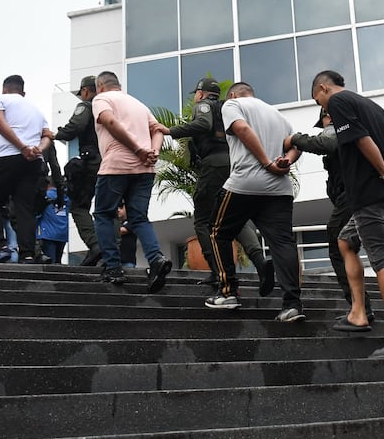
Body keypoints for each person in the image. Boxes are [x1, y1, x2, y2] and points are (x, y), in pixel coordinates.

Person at [286, 104, 384, 335]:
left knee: (340, 243)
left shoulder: (340, 125)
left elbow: (326, 142)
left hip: (357, 198)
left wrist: (295, 138)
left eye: (324, 120)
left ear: (328, 114)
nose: (326, 125)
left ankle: (361, 309)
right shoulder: (378, 128)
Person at [311, 71, 384, 356]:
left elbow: (362, 141)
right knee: (346, 241)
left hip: (369, 193)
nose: (323, 108)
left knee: (382, 260)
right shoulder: (373, 107)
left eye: (318, 101)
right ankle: (358, 312)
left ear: (323, 88)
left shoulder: (338, 102)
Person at [158, 77, 274, 293]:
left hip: (214, 165)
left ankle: (217, 270)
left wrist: (170, 131)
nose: (195, 98)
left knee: (203, 220)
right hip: (234, 165)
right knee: (235, 216)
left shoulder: (204, 105)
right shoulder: (229, 108)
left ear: (201, 93)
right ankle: (260, 261)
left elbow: (203, 124)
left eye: (196, 94)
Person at [204, 82, 304, 321]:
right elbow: (296, 144)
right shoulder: (277, 115)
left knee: (218, 232)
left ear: (234, 94)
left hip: (245, 183)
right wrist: (285, 162)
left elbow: (242, 129)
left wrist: (267, 162)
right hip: (279, 188)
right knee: (283, 243)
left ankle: (227, 292)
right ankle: (293, 305)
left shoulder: (233, 104)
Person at [89, 71, 173, 291]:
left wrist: (138, 149)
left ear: (100, 86)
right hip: (145, 168)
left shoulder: (101, 99)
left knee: (104, 214)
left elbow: (108, 120)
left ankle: (113, 268)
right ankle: (156, 259)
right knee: (139, 218)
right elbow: (158, 130)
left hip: (116, 165)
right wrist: (152, 151)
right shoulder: (138, 103)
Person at [0, 75, 55, 264]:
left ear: (4, 89)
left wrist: (21, 146)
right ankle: (28, 254)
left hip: (6, 156)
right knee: (24, 207)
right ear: (23, 92)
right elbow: (48, 135)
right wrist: (38, 148)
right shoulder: (36, 110)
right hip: (33, 160)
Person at [54, 75, 102, 266]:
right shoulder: (110, 107)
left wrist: (57, 134)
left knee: (79, 207)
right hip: (111, 161)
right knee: (109, 210)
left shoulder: (87, 106)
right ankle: (110, 253)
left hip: (92, 161)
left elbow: (77, 125)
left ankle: (96, 245)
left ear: (85, 91)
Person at [37, 178, 69, 264]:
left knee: (50, 262)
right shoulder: (65, 197)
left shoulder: (46, 196)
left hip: (47, 233)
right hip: (63, 234)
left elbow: (37, 213)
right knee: (58, 261)